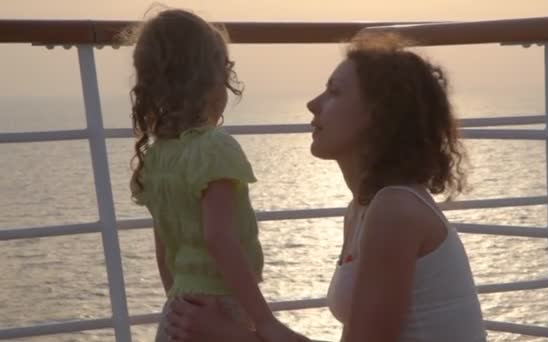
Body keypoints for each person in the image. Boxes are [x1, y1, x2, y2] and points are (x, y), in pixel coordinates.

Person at [165, 31, 487, 342]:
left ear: (377, 114)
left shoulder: (395, 211)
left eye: (333, 92)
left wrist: (232, 336)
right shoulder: (362, 209)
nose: (312, 104)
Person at [126, 8, 305, 342]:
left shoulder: (157, 158)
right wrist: (264, 321)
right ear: (211, 82)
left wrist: (177, 305)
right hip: (220, 309)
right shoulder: (214, 149)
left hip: (179, 313)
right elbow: (219, 238)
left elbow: (165, 253)